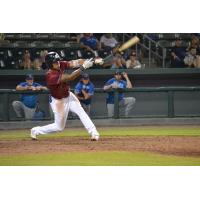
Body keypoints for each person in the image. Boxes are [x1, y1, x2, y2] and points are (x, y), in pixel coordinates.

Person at [30, 52, 100, 141]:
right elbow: (70, 77)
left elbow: (76, 62)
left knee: (81, 112)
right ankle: (36, 130)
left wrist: (93, 61)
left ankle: (94, 133)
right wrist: (83, 67)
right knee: (59, 127)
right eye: (55, 62)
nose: (58, 63)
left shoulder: (60, 64)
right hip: (58, 101)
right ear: (50, 64)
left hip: (68, 96)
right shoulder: (50, 76)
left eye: (58, 61)